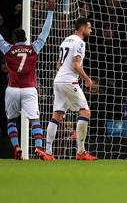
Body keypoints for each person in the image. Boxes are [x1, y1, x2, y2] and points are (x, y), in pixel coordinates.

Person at [0, 0, 55, 161]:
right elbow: (45, 32)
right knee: (35, 121)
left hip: (12, 89)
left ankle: (17, 147)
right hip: (29, 89)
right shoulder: (34, 48)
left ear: (14, 39)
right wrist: (50, 12)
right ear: (26, 38)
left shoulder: (7, 48)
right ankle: (40, 149)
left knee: (12, 121)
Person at [45, 18, 98, 160]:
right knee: (85, 112)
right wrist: (87, 79)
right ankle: (81, 152)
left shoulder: (66, 40)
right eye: (89, 28)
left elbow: (58, 64)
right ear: (82, 28)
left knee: (57, 115)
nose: (91, 30)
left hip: (58, 80)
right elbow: (75, 65)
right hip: (69, 81)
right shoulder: (80, 42)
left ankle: (48, 152)